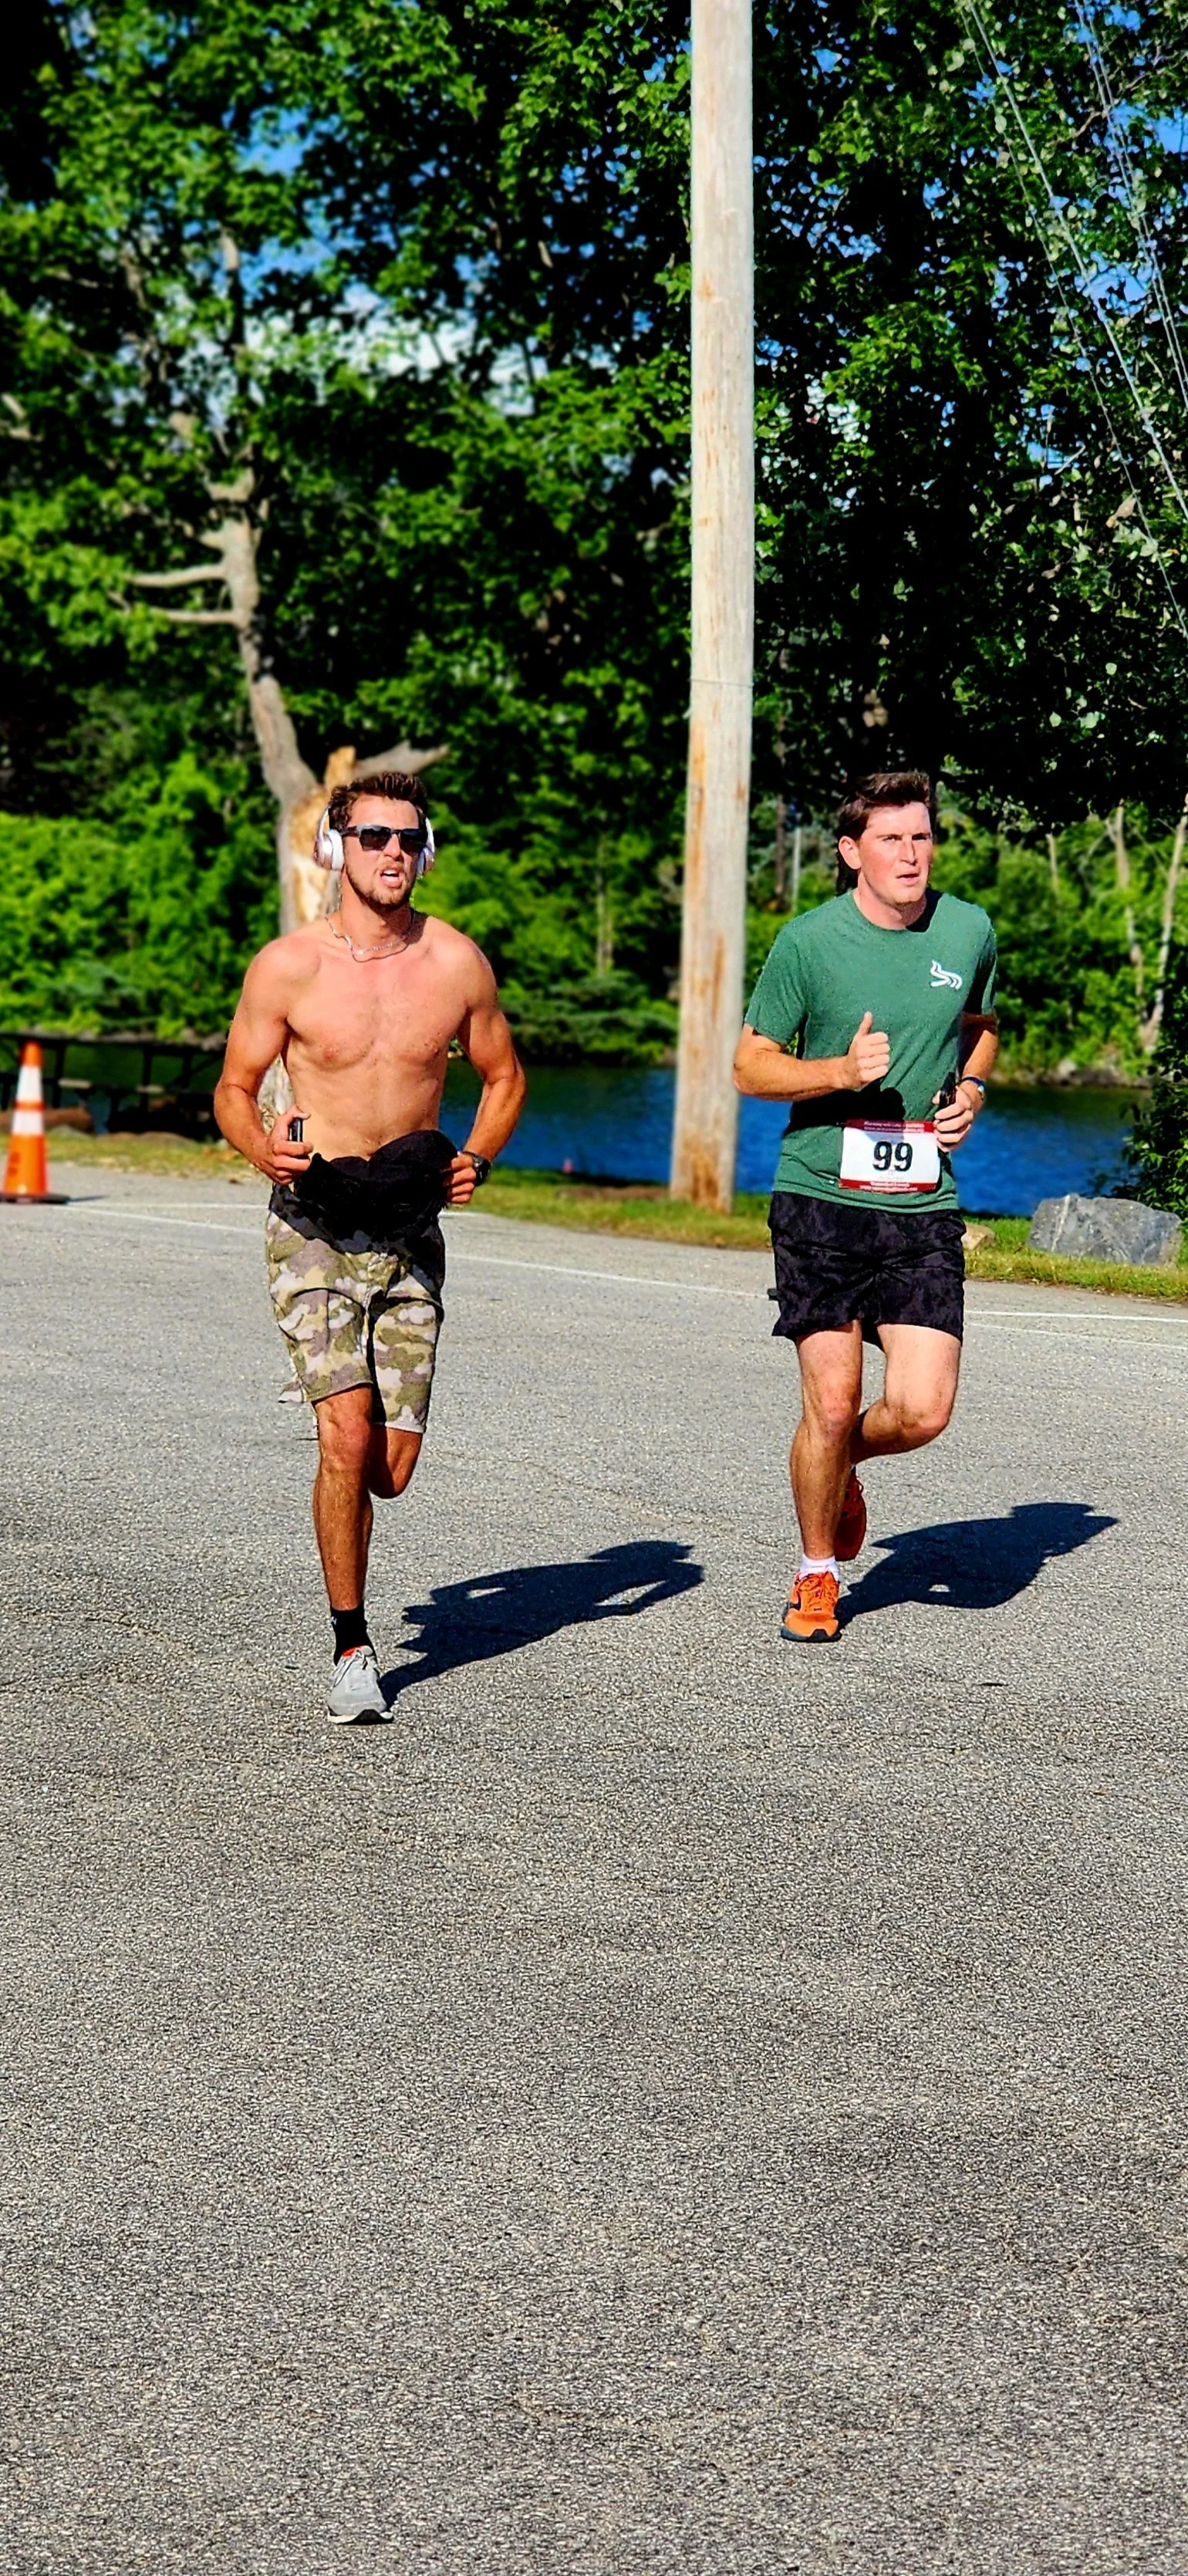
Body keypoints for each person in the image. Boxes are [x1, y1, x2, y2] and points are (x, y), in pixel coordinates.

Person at [214, 770, 526, 1720]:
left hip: (409, 1232)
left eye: (407, 838)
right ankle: (352, 1646)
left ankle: (342, 1417)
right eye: (372, 836)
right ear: (335, 848)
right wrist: (260, 1145)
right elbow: (233, 1087)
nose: (391, 852)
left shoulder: (455, 964)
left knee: (388, 1469)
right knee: (346, 1437)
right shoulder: (287, 967)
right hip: (313, 1224)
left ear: (422, 851)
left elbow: (505, 1076)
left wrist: (474, 1156)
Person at [734, 769, 998, 1644]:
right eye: (890, 839)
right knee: (833, 1397)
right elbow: (750, 1065)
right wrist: (838, 1074)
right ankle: (817, 1574)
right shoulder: (806, 945)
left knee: (922, 1410)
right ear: (851, 853)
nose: (910, 854)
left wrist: (971, 1088)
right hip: (820, 1198)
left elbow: (981, 1023)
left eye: (921, 837)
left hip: (922, 1200)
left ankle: (833, 1464)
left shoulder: (967, 929)